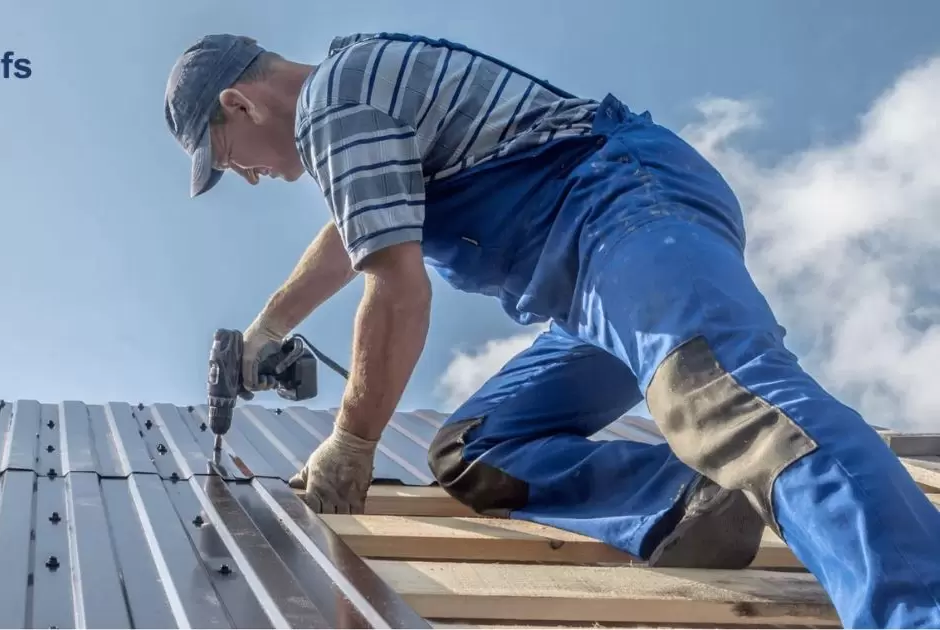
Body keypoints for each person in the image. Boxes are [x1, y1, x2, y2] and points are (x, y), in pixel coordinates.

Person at [163, 32, 940, 628]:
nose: (246, 174)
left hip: (622, 212)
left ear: (239, 103)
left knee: (721, 396)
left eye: (226, 159)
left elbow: (397, 285)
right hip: (586, 291)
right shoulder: (354, 114)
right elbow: (350, 235)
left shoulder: (336, 103)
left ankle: (916, 607)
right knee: (475, 451)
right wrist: (267, 328)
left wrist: (355, 441)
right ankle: (686, 502)